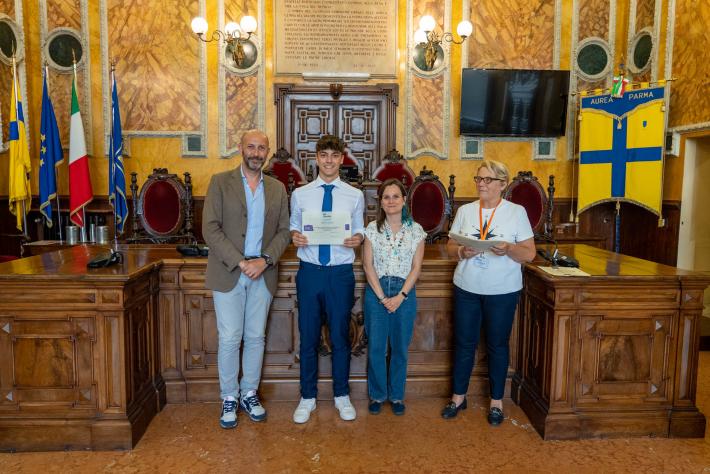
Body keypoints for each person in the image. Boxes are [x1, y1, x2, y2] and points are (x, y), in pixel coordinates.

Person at [203, 129, 291, 429]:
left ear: (267, 152)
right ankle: (229, 396)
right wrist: (240, 262)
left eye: (261, 148)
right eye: (251, 147)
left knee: (255, 337)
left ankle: (249, 393)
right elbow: (210, 228)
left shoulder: (277, 188)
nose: (256, 153)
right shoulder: (220, 182)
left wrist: (264, 261)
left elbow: (284, 231)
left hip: (263, 273)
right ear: (240, 148)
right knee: (230, 338)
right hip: (229, 270)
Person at [441, 160, 536, 425]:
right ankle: (458, 397)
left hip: (502, 290)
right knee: (464, 343)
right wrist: (462, 251)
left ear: (502, 184)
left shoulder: (516, 212)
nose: (481, 184)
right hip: (467, 287)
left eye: (487, 180)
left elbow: (529, 253)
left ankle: (496, 402)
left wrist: (509, 249)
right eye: (478, 179)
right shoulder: (465, 211)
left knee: (497, 345)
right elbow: (450, 247)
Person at [289, 135, 365, 423]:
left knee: (340, 337)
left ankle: (341, 395)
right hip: (310, 272)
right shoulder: (301, 194)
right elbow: (294, 227)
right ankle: (307, 397)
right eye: (324, 155)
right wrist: (295, 236)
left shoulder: (354, 195)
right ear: (317, 158)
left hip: (340, 273)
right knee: (308, 336)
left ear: (342, 159)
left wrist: (357, 238)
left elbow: (360, 230)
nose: (329, 160)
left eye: (334, 155)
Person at [362, 179, 426, 416]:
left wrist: (401, 296)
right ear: (380, 202)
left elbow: (416, 267)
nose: (391, 201)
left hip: (404, 291)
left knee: (399, 347)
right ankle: (378, 395)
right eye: (386, 197)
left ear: (404, 200)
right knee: (377, 347)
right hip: (376, 290)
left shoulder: (416, 230)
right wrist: (381, 297)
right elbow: (367, 265)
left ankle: (397, 395)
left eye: (395, 196)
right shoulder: (372, 229)